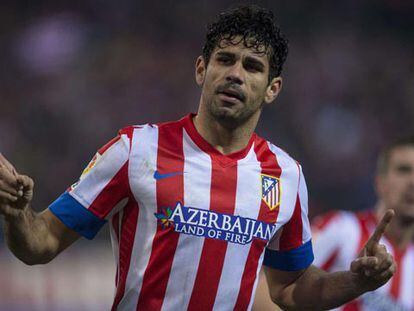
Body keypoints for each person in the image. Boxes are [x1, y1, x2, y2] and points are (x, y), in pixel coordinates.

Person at [0, 5, 396, 311]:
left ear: (272, 89)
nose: (236, 74)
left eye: (252, 66)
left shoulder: (286, 176)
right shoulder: (136, 149)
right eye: (225, 59)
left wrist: (356, 282)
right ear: (201, 69)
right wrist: (18, 213)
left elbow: (291, 290)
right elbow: (41, 244)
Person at [253, 136, 414, 311]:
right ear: (380, 182)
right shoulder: (342, 229)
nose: (412, 182)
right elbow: (264, 295)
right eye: (403, 170)